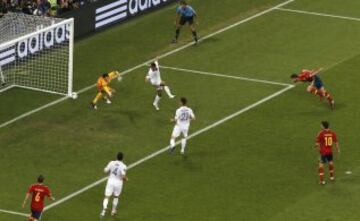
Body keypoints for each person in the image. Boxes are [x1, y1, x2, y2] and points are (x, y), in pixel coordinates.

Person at [101, 152, 128, 217]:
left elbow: (105, 170)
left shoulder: (111, 163)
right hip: (118, 183)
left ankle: (104, 210)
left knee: (107, 196)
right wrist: (126, 179)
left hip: (110, 181)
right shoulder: (123, 166)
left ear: (116, 156)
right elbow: (123, 176)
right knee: (116, 197)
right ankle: (113, 211)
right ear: (122, 158)